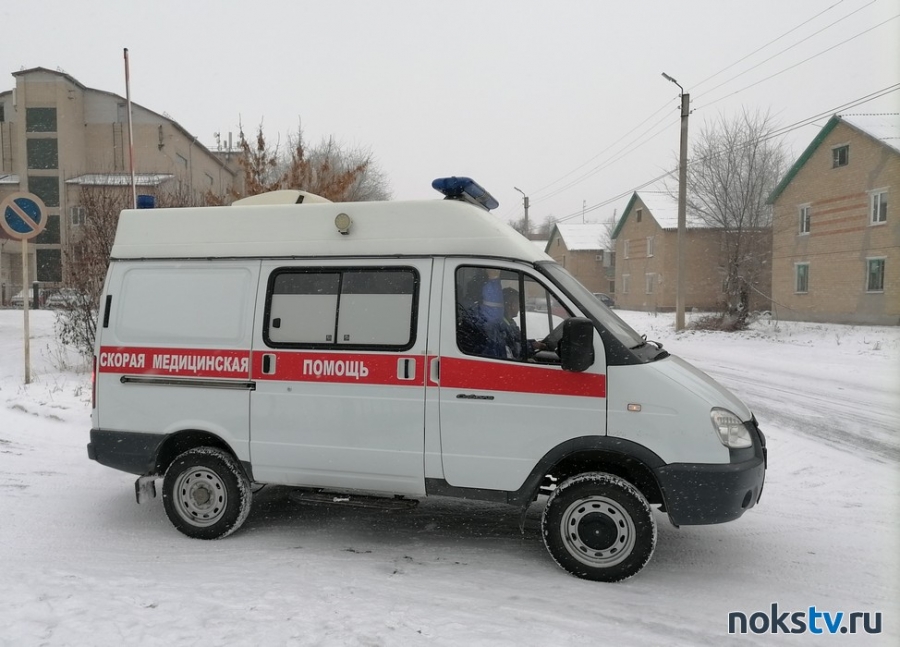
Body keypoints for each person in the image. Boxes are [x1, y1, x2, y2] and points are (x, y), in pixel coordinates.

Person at [501, 287, 547, 360]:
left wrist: (533, 343)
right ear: (512, 305)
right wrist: (532, 346)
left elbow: (519, 340)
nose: (519, 307)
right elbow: (514, 350)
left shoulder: (510, 323)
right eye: (518, 303)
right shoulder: (502, 326)